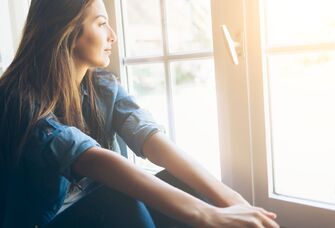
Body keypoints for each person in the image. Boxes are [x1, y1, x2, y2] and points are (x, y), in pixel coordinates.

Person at [0, 0, 280, 227]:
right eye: (101, 24)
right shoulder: (17, 99)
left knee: (182, 184)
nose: (113, 35)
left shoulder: (101, 86)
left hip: (99, 215)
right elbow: (92, 160)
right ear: (67, 32)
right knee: (118, 199)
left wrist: (233, 201)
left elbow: (153, 141)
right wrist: (205, 214)